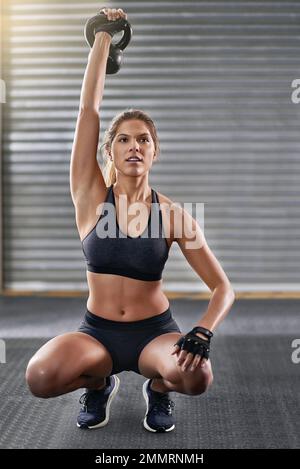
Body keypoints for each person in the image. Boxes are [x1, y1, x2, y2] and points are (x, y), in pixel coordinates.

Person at [25, 7, 235, 433]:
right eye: (124, 139)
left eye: (144, 140)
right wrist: (103, 37)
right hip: (96, 334)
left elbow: (222, 287)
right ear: (110, 152)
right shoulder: (89, 196)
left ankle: (158, 390)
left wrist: (203, 331)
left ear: (155, 152)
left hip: (153, 335)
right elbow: (88, 109)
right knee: (39, 378)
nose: (134, 146)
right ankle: (100, 384)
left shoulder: (174, 216)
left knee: (196, 378)